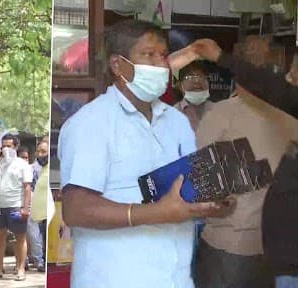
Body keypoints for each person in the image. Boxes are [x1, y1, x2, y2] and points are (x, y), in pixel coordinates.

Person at [57, 20, 228, 288]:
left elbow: (190, 187)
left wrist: (213, 201)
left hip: (176, 279)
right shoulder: (91, 123)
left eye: (162, 56)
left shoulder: (177, 122)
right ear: (119, 65)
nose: (161, 65)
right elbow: (76, 209)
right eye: (148, 55)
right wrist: (158, 212)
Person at [192, 38, 298, 288]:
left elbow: (199, 186)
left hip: (250, 253)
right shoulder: (293, 119)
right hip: (262, 251)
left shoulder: (221, 116)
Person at [0, 134, 32, 281]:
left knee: (20, 238)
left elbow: (27, 188)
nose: (6, 149)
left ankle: (21, 268)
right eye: (3, 146)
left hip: (16, 205)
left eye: (9, 146)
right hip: (0, 206)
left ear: (15, 147)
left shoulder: (23, 165)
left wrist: (25, 208)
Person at [18, 146, 45, 273]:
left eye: (26, 158)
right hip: (17, 203)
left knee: (34, 233)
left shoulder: (32, 170)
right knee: (21, 236)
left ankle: (39, 260)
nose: (24, 160)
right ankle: (25, 260)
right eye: (22, 157)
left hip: (31, 203)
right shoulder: (15, 170)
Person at [31, 139, 50, 268]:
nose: (39, 155)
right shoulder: (42, 170)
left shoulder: (51, 170)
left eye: (43, 152)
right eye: (38, 152)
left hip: (50, 217)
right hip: (42, 218)